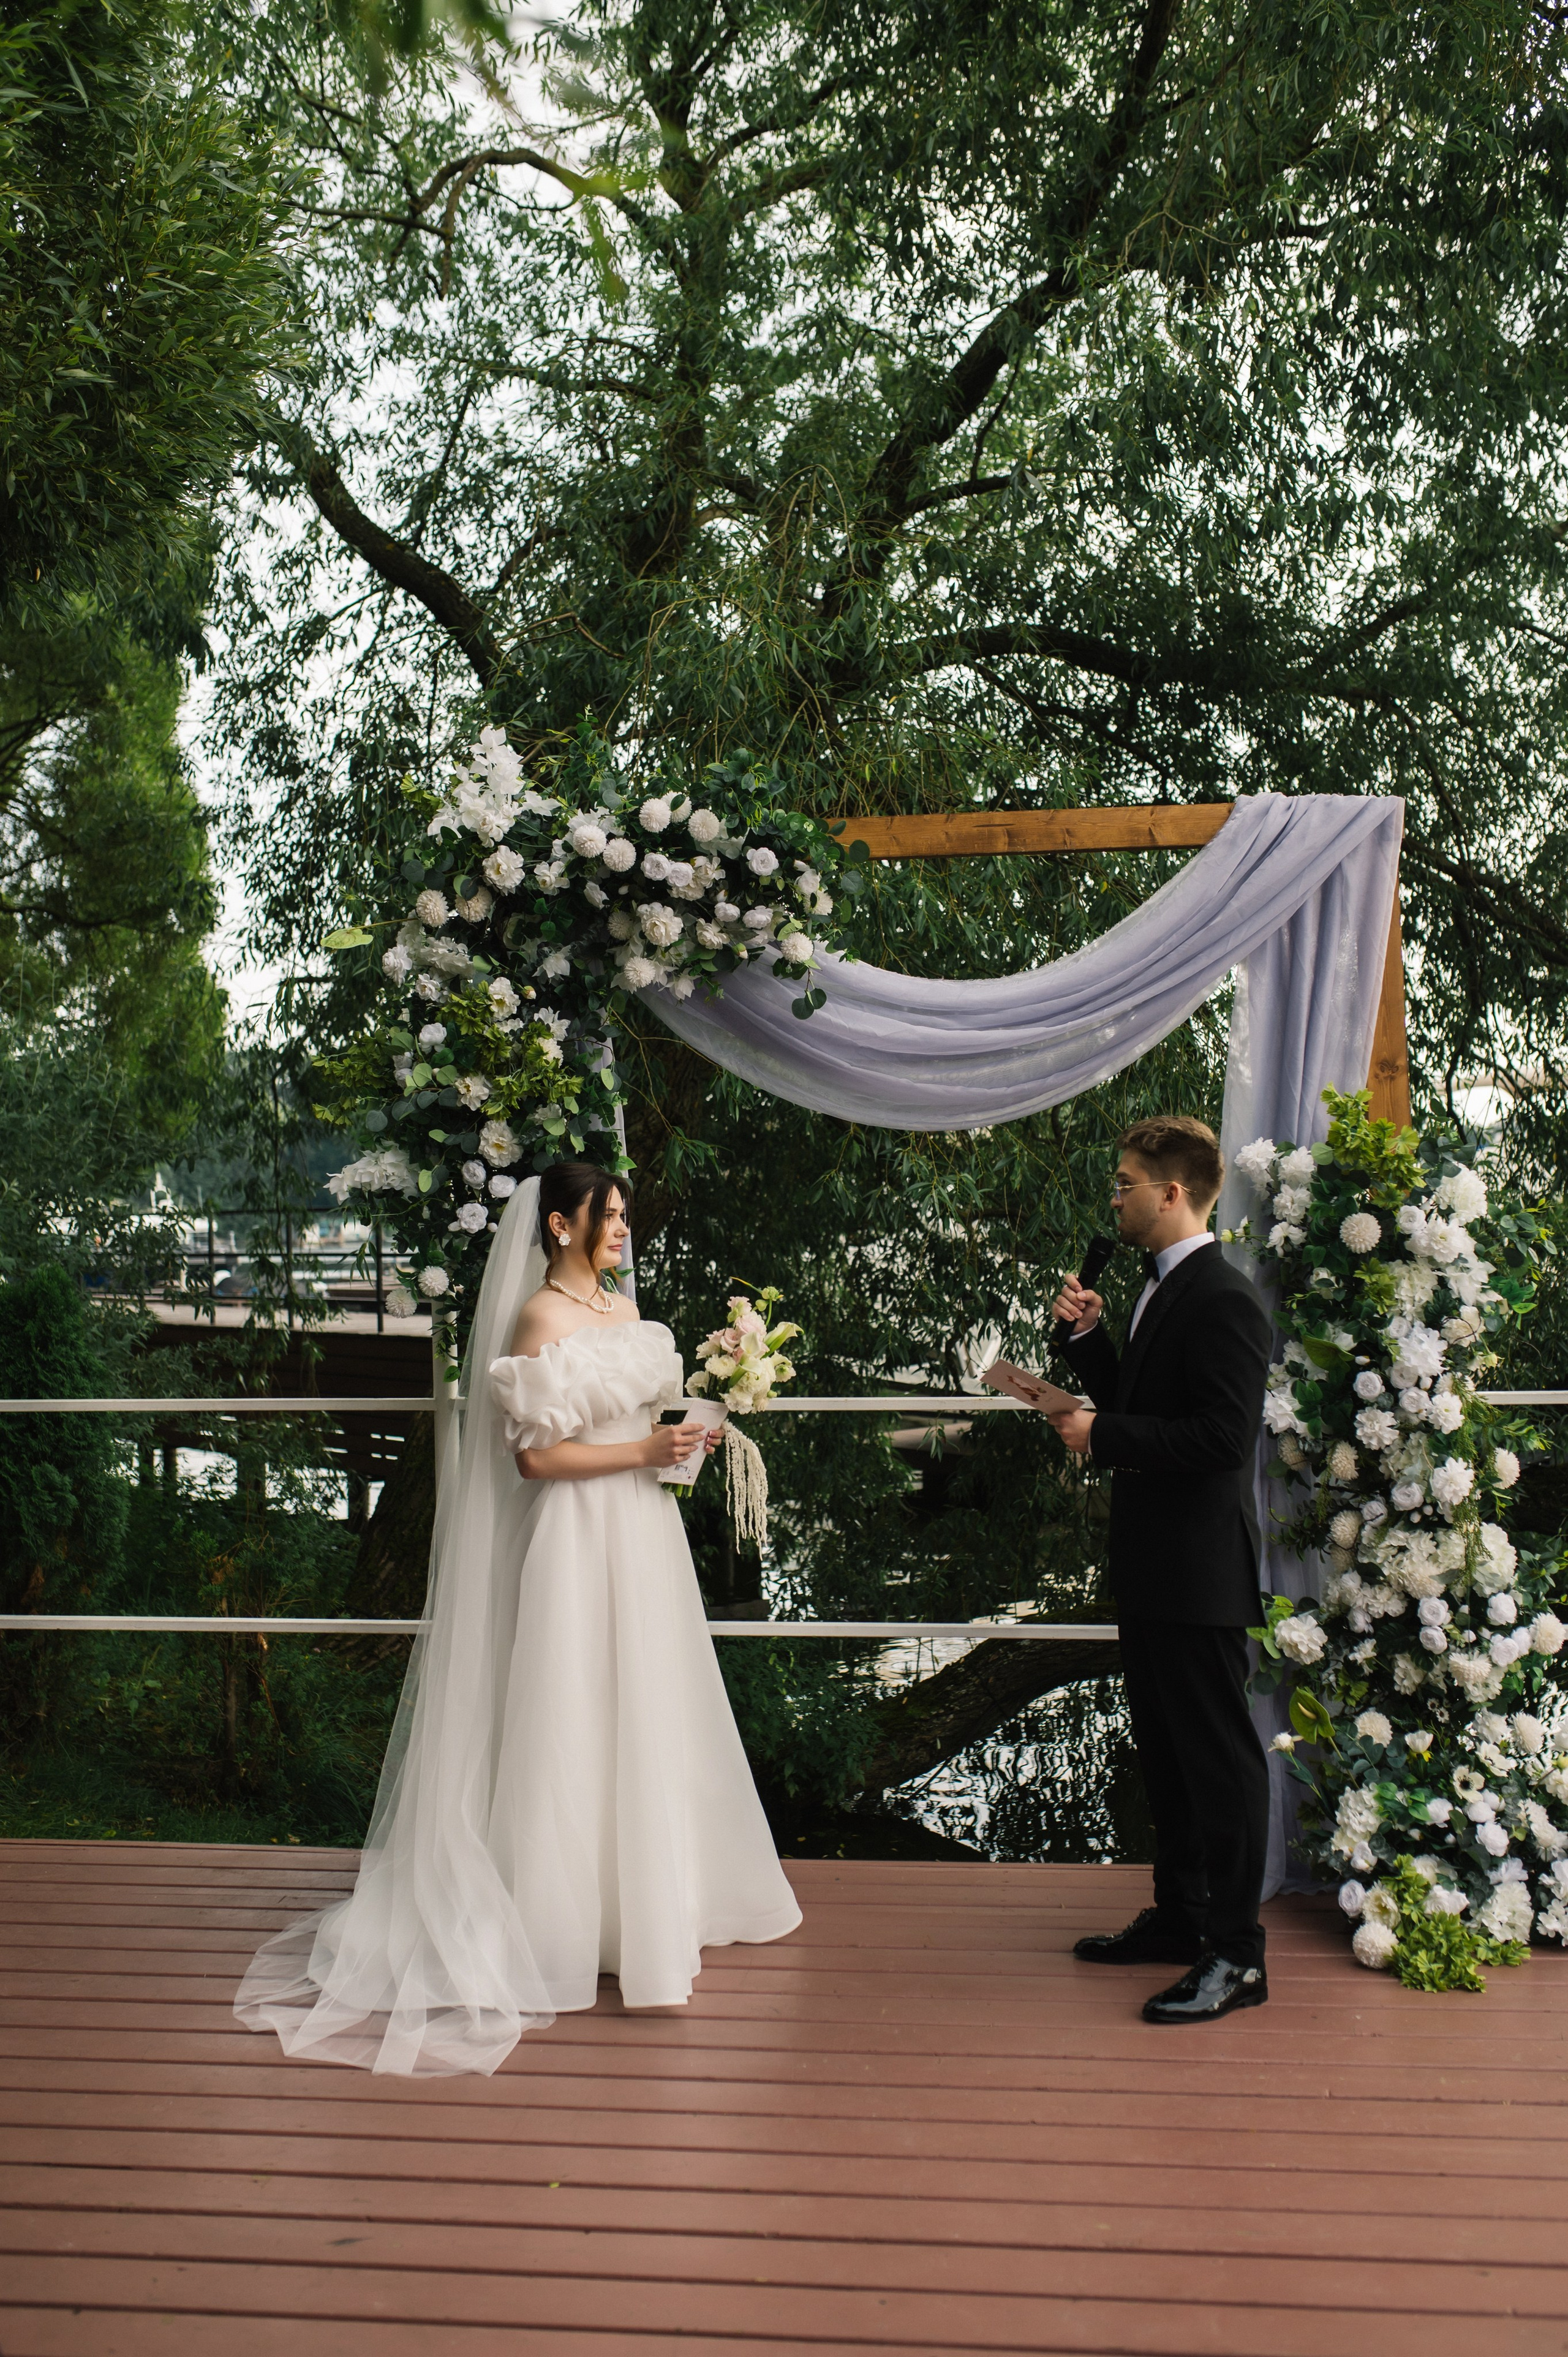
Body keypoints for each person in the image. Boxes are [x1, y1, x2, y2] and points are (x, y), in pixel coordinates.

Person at [235, 1162, 801, 2074]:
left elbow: (642, 1419)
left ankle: (652, 1908)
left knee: (647, 1708)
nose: (622, 1228)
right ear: (559, 1227)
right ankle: (558, 1922)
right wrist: (641, 1448)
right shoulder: (540, 1319)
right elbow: (537, 1463)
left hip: (644, 1534)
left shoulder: (626, 1312)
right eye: (607, 1216)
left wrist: (693, 1430)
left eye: (623, 1215)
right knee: (571, 1713)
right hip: (577, 1537)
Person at [1048, 1115, 1273, 2025]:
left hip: (1201, 1571)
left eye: (1125, 1183)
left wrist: (1103, 1436)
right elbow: (1144, 1404)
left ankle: (1239, 1956)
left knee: (1220, 1763)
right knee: (1169, 1761)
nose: (1115, 1198)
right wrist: (1088, 1349)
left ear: (1170, 1193)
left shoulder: (1224, 1299)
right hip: (1151, 1566)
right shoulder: (1155, 1292)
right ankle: (1182, 1919)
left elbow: (1223, 1439)